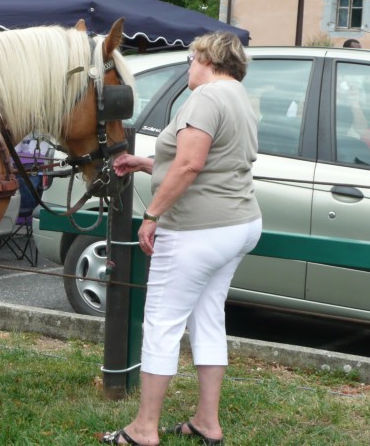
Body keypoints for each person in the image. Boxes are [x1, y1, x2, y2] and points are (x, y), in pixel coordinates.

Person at [98, 31, 263, 446]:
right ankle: (208, 422)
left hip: (197, 229)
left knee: (162, 324)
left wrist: (152, 215)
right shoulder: (239, 96)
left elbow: (190, 164)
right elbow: (208, 160)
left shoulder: (205, 98)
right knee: (207, 318)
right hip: (238, 224)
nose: (189, 65)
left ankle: (143, 429)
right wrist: (144, 163)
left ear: (207, 59)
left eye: (192, 58)